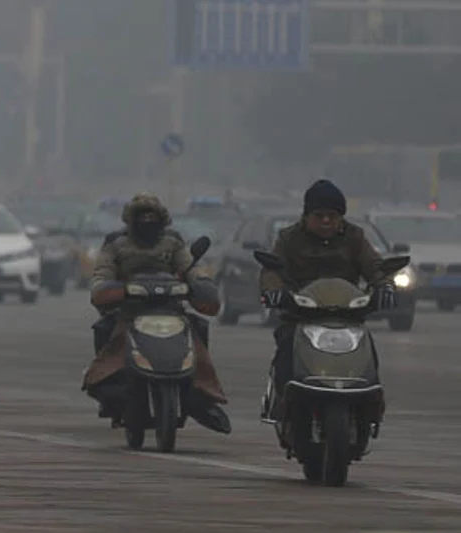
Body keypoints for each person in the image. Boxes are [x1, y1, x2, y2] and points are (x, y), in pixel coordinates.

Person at [82, 193, 230, 433]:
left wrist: (201, 285)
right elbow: (102, 276)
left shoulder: (174, 242)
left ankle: (202, 395)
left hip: (171, 310)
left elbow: (191, 269)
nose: (148, 221)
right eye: (142, 216)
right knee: (104, 330)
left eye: (152, 216)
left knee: (199, 328)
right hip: (129, 313)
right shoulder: (115, 243)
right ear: (131, 220)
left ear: (162, 219)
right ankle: (108, 391)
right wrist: (109, 289)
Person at [257, 179, 394, 421]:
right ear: (307, 215)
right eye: (320, 215)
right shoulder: (288, 239)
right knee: (285, 353)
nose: (326, 221)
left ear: (341, 217)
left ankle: (372, 407)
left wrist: (385, 287)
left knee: (369, 356)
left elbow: (375, 267)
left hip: (347, 317)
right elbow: (272, 271)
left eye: (333, 215)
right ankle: (282, 405)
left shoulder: (355, 237)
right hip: (299, 317)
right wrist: (274, 291)